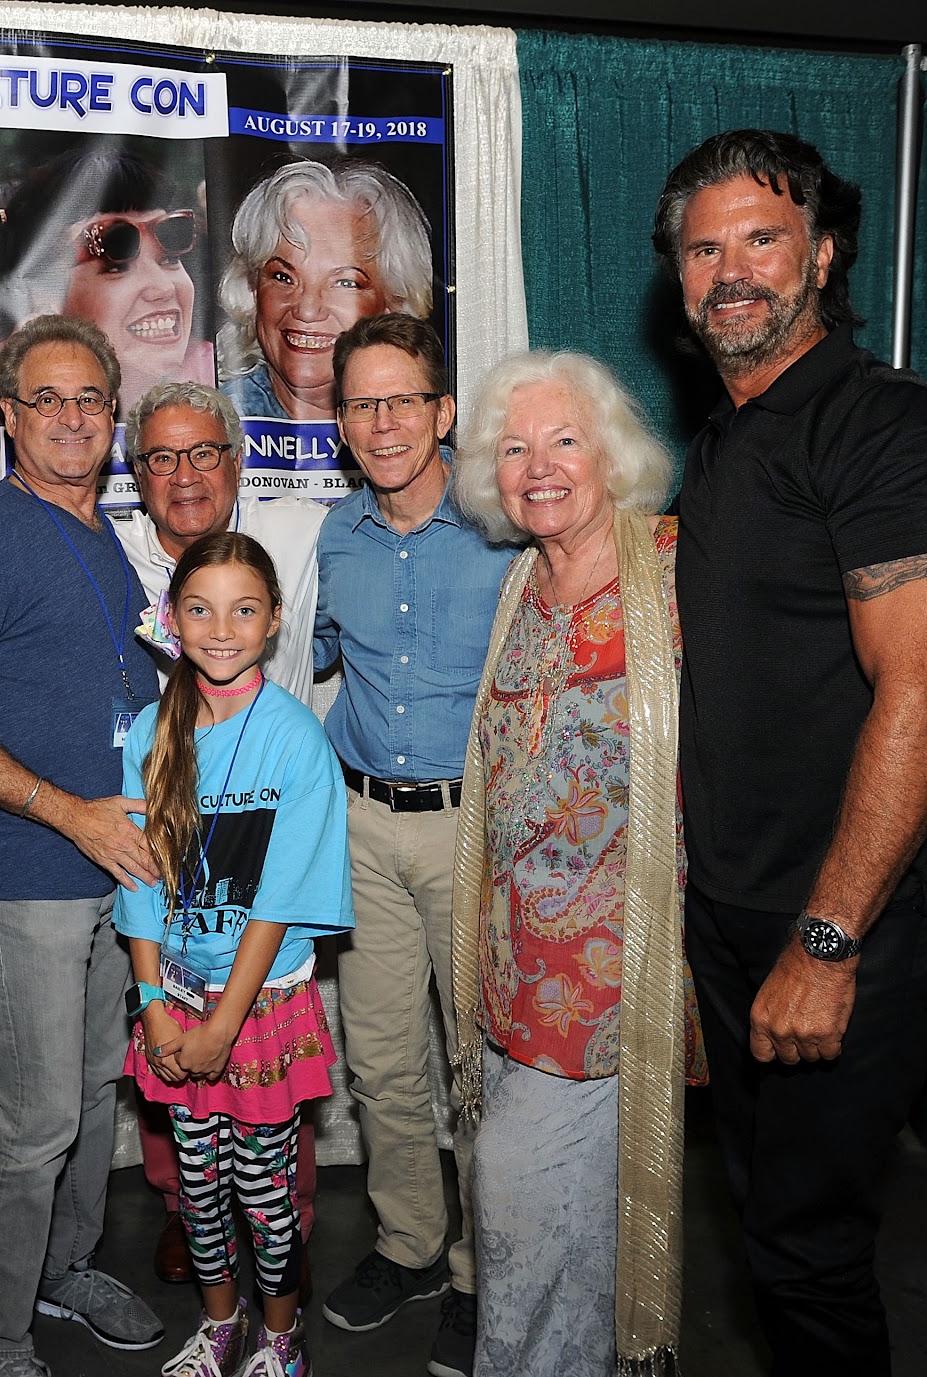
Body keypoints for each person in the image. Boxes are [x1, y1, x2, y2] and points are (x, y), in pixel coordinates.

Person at [652, 129, 927, 1376]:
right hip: (751, 901)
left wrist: (825, 941)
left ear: (824, 252)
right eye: (704, 248)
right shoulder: (725, 442)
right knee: (768, 1227)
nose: (731, 270)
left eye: (762, 236)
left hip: (862, 913)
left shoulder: (890, 429)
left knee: (803, 1246)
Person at [0, 313, 164, 1377]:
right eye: (44, 399)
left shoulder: (107, 534)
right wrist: (71, 813)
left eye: (88, 399)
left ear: (112, 418)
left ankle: (66, 1266)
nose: (69, 417)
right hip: (29, 875)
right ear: (6, 418)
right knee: (39, 1118)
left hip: (119, 870)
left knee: (99, 1087)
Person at [448, 351, 707, 1376]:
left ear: (612, 456)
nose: (537, 466)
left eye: (563, 441)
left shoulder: (681, 569)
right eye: (513, 448)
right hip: (510, 969)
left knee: (519, 1204)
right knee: (557, 1231)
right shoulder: (521, 584)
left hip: (616, 974)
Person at [314, 313, 514, 1377]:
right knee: (383, 1062)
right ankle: (408, 1245)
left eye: (403, 400)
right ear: (338, 422)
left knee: (475, 1069)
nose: (382, 422)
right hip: (359, 825)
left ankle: (488, 1272)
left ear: (442, 413)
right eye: (360, 403)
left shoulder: (504, 528)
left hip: (471, 830)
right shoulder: (335, 536)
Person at [116, 531, 353, 1377]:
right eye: (202, 608)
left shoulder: (296, 740)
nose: (222, 628)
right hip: (173, 1009)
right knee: (197, 1188)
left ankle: (281, 1339)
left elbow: (281, 901)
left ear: (275, 621)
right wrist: (153, 1007)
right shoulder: (151, 728)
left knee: (265, 1190)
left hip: (258, 1010)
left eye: (244, 609)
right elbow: (140, 884)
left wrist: (221, 1022)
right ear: (173, 619)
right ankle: (220, 1327)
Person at [116, 381, 329, 1284]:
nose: (185, 473)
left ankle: (285, 1248)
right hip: (177, 924)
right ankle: (190, 1227)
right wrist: (155, 994)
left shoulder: (296, 545)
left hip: (264, 934)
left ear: (237, 463)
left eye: (204, 452)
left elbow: (286, 885)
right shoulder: (114, 556)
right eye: (162, 457)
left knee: (270, 1149)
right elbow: (143, 864)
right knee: (192, 1142)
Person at [0, 147, 214, 410]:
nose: (162, 288)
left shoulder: (225, 376)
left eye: (170, 259)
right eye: (118, 268)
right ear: (43, 295)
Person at [220, 160, 433, 422]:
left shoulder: (429, 446)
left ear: (394, 303)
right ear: (252, 289)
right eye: (283, 277)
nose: (307, 310)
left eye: (344, 283)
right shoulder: (211, 433)